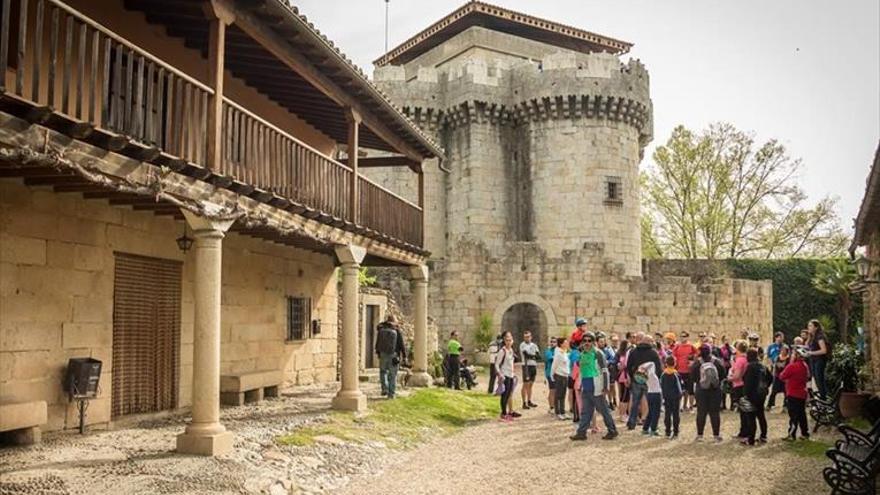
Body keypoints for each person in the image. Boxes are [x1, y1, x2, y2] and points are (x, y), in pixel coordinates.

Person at [570, 332, 618, 441]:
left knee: (604, 410)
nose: (587, 343)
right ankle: (581, 433)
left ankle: (612, 430)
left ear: (593, 342)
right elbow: (581, 370)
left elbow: (605, 370)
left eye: (589, 340)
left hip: (597, 387)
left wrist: (605, 386)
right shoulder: (582, 354)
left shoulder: (598, 353)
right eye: (585, 341)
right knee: (586, 411)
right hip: (586, 387)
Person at [626, 332, 662, 430]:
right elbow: (659, 367)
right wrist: (656, 379)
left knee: (635, 402)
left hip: (637, 379)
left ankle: (631, 422)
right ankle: (650, 423)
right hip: (649, 380)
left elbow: (628, 366)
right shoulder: (653, 352)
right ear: (648, 342)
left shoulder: (634, 351)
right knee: (650, 402)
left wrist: (633, 376)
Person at [690, 344, 726, 442]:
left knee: (701, 412)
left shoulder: (697, 363)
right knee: (715, 413)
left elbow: (692, 377)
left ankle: (700, 435)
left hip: (701, 390)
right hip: (715, 390)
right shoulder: (717, 362)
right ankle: (716, 435)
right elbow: (723, 375)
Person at [779, 346, 811, 440]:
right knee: (802, 414)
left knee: (793, 415)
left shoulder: (792, 366)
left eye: (793, 353)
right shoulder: (805, 366)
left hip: (793, 393)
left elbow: (782, 376)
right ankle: (805, 433)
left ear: (797, 355)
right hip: (802, 393)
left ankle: (791, 434)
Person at [742, 349, 770, 445]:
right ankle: (763, 436)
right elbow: (770, 378)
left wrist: (745, 394)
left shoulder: (750, 367)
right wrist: (765, 387)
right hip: (761, 394)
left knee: (751, 417)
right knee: (761, 415)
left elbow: (748, 382)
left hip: (752, 394)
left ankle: (751, 439)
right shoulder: (763, 366)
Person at [375, 315, 406, 399]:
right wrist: (404, 355)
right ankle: (391, 394)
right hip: (394, 355)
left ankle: (384, 388)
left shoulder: (381, 329)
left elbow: (378, 342)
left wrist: (378, 352)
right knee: (392, 375)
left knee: (383, 372)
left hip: (383, 354)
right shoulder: (396, 330)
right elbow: (401, 344)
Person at [495, 331, 520, 421]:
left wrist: (513, 373)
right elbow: (497, 364)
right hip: (504, 375)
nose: (509, 342)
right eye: (507, 340)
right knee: (504, 395)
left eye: (510, 340)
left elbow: (511, 363)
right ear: (504, 341)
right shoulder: (502, 351)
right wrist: (500, 374)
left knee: (509, 393)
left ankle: (507, 413)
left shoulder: (511, 350)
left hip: (510, 375)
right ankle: (503, 413)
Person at [672, 331, 698, 412]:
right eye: (681, 336)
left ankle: (689, 406)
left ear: (687, 337)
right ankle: (679, 406)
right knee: (679, 389)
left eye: (684, 336)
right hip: (679, 370)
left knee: (689, 389)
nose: (683, 338)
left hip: (689, 371)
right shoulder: (677, 347)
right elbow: (673, 356)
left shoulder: (691, 346)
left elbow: (697, 355)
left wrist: (693, 362)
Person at [638, 354, 662, 436]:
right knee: (656, 413)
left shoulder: (644, 376)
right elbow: (652, 364)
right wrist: (651, 361)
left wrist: (642, 367)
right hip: (656, 393)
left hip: (650, 393)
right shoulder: (652, 375)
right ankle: (653, 429)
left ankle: (645, 428)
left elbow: (645, 366)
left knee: (651, 412)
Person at [729, 340, 748, 438]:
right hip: (745, 385)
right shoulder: (746, 359)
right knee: (745, 410)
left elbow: (737, 376)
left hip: (739, 386)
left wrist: (729, 378)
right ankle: (744, 431)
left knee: (743, 411)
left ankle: (744, 432)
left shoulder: (740, 360)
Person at [660, 355, 682, 439]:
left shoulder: (663, 374)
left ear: (666, 364)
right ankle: (676, 431)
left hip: (667, 397)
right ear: (675, 363)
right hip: (675, 397)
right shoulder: (676, 374)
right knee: (676, 414)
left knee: (667, 414)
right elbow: (679, 386)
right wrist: (680, 395)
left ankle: (667, 431)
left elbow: (661, 385)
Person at [807, 319, 829, 399]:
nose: (808, 327)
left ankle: (823, 398)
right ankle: (823, 397)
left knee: (820, 380)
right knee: (817, 379)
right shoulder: (813, 336)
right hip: (814, 360)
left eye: (810, 326)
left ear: (816, 327)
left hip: (819, 360)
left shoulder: (820, 336)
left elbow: (824, 350)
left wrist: (811, 353)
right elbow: (808, 346)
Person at [519, 331, 540, 409]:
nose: (527, 338)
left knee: (531, 384)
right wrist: (533, 356)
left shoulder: (534, 345)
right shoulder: (522, 345)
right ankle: (524, 402)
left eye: (528, 336)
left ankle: (529, 400)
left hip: (533, 365)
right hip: (526, 366)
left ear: (531, 337)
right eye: (525, 337)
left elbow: (539, 357)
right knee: (525, 384)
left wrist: (533, 356)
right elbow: (526, 355)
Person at [551, 337, 571, 420]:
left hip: (565, 375)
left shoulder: (565, 352)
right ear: (561, 344)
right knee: (558, 394)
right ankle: (558, 412)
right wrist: (552, 375)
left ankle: (563, 411)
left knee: (563, 394)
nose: (567, 344)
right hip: (559, 375)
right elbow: (554, 364)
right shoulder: (558, 353)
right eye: (565, 343)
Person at [767, 343, 790, 411]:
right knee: (773, 392)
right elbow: (775, 366)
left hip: (785, 378)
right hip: (777, 377)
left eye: (784, 350)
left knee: (786, 393)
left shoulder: (788, 358)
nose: (783, 351)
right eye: (782, 350)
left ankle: (785, 406)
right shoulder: (778, 357)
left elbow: (786, 367)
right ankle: (769, 405)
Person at [597, 332, 617, 409]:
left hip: (607, 372)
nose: (602, 343)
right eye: (600, 342)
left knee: (609, 387)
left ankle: (610, 402)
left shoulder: (607, 350)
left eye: (603, 341)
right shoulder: (595, 351)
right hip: (598, 373)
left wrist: (608, 362)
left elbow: (613, 359)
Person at [616, 339, 631, 422]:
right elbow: (624, 365)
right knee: (624, 397)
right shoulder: (625, 356)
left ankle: (622, 414)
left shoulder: (621, 355)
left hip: (621, 377)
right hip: (624, 377)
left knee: (623, 396)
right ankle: (623, 415)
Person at [544, 336, 556, 414]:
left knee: (556, 390)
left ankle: (555, 405)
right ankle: (551, 407)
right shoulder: (548, 351)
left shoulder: (558, 351)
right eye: (551, 342)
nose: (552, 343)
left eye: (554, 342)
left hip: (557, 373)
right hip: (550, 373)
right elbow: (551, 359)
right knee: (552, 390)